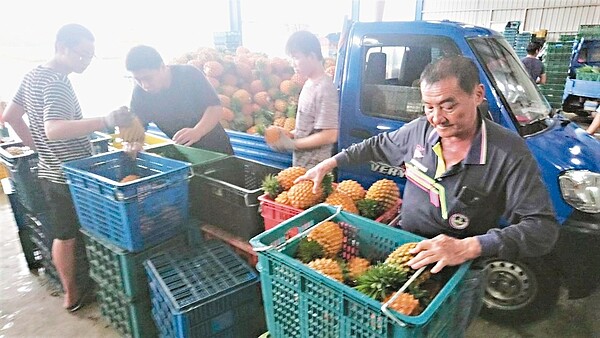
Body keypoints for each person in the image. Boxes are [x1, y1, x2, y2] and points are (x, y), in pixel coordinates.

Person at [296, 56, 559, 335]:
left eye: (448, 105)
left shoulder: (508, 153)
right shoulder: (421, 131)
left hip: (458, 276)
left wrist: (468, 247)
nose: (437, 118)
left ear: (477, 95)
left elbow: (542, 228)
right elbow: (379, 144)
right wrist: (330, 163)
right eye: (429, 106)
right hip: (404, 253)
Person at [2, 23, 133, 312]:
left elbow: (10, 116)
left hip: (48, 171)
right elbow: (55, 128)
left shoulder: (33, 75)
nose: (85, 61)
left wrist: (38, 148)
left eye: (90, 56)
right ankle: (79, 291)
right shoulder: (58, 81)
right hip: (71, 175)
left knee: (64, 234)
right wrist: (106, 120)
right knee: (82, 232)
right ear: (61, 47)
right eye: (81, 55)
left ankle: (70, 294)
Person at [124, 45, 233, 154]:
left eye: (148, 78)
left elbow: (214, 107)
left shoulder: (188, 74)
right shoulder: (140, 93)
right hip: (183, 152)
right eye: (138, 80)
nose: (145, 85)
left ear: (162, 67)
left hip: (217, 149)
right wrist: (133, 142)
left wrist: (198, 131)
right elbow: (135, 123)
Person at [269, 30, 339, 169]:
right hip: (302, 163)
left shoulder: (324, 88)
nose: (293, 64)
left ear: (312, 56)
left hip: (316, 167)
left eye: (296, 57)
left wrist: (293, 144)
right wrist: (289, 135)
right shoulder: (309, 83)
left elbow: (330, 134)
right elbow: (308, 128)